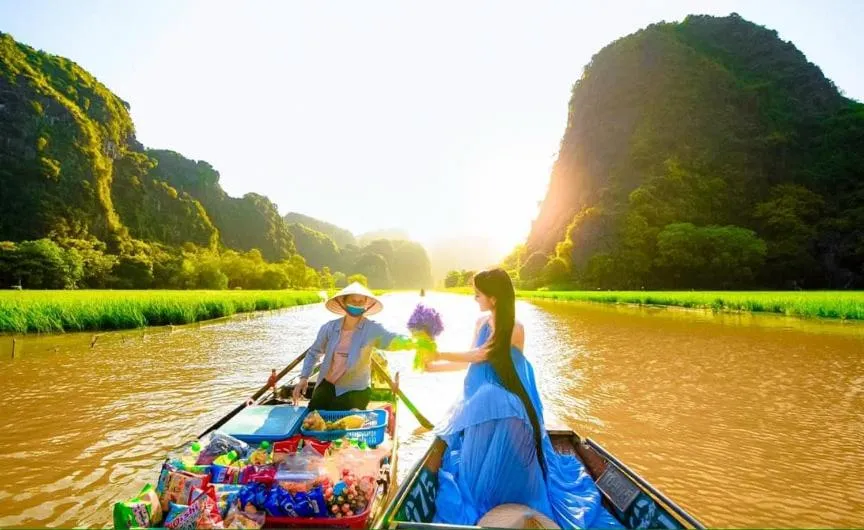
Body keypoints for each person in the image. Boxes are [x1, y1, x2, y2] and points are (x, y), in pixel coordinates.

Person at [424, 268, 622, 529]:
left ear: (494, 298)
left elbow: (482, 355)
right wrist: (433, 366)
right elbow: (470, 360)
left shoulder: (515, 329)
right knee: (484, 403)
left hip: (509, 406)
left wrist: (439, 353)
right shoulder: (481, 322)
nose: (475, 298)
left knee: (493, 399)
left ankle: (511, 496)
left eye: (478, 294)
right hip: (484, 406)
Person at [292, 282, 417, 411]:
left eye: (361, 301)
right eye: (353, 301)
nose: (357, 304)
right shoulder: (329, 328)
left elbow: (391, 339)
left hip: (355, 390)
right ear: (343, 302)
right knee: (312, 416)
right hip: (327, 384)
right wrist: (304, 378)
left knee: (340, 417)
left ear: (366, 305)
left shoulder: (372, 329)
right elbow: (314, 352)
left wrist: (414, 342)